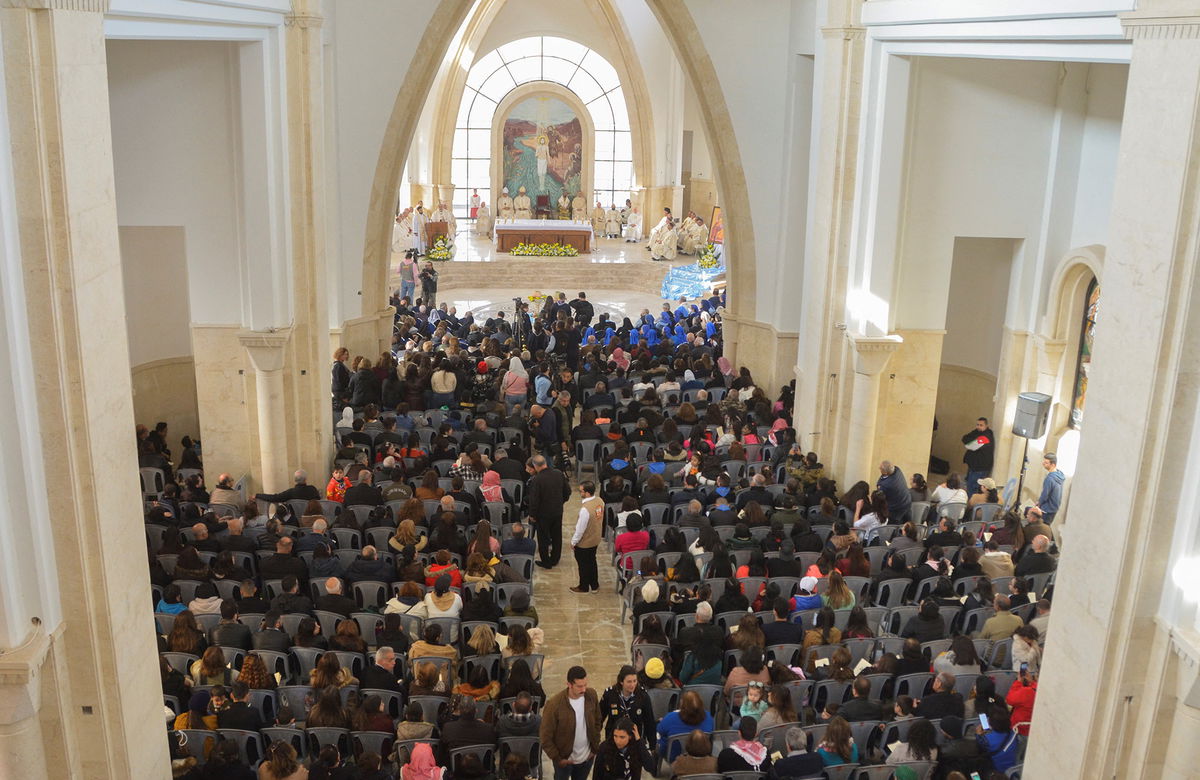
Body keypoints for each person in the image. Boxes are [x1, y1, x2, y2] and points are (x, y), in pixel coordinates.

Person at [541, 665, 602, 780]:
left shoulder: (591, 695)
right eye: (579, 686)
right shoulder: (554, 705)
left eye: (585, 685)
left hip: (586, 758)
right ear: (569, 684)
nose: (583, 689)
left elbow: (598, 720)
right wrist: (557, 758)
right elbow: (545, 736)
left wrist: (594, 747)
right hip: (565, 761)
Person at [527, 455, 571, 570]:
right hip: (557, 511)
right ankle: (555, 559)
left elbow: (534, 500)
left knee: (543, 538)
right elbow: (567, 491)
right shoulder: (558, 473)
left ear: (535, 466)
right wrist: (561, 502)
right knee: (557, 536)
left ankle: (546, 562)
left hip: (543, 515)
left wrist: (532, 515)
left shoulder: (537, 479)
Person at [599, 665, 657, 742]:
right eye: (629, 681)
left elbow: (649, 722)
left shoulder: (643, 696)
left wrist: (652, 744)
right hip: (614, 739)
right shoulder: (610, 694)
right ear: (621, 681)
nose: (632, 685)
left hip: (634, 739)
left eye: (634, 681)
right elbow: (599, 718)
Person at [656, 690, 714, 761]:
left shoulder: (670, 718)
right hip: (702, 755)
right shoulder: (709, 718)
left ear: (682, 706)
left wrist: (661, 722)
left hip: (674, 758)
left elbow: (659, 730)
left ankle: (654, 769)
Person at [569, 480, 604, 593]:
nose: (580, 493)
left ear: (588, 493)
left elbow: (580, 529)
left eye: (581, 491)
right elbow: (598, 517)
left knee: (583, 565)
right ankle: (594, 585)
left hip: (585, 542)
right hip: (595, 538)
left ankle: (583, 586)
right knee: (592, 561)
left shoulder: (585, 509)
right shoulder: (599, 501)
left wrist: (574, 542)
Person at [961, 417, 995, 493]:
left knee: (973, 488)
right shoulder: (976, 431)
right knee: (969, 485)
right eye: (977, 424)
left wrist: (971, 443)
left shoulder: (987, 436)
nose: (978, 427)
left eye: (981, 425)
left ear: (986, 426)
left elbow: (973, 446)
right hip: (973, 465)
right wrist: (973, 441)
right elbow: (964, 438)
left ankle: (972, 504)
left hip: (980, 467)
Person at [876, 460, 913, 524]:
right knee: (907, 524)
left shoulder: (885, 485)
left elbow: (880, 495)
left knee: (894, 526)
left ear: (885, 472)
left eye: (880, 468)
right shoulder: (897, 470)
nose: (879, 469)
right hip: (907, 502)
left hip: (896, 509)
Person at [1037, 451, 1065, 524]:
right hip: (1054, 509)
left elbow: (1045, 495)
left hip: (1047, 509)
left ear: (1053, 464)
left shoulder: (1050, 478)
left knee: (1039, 527)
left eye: (1046, 462)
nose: (1043, 463)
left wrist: (1039, 503)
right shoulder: (1060, 475)